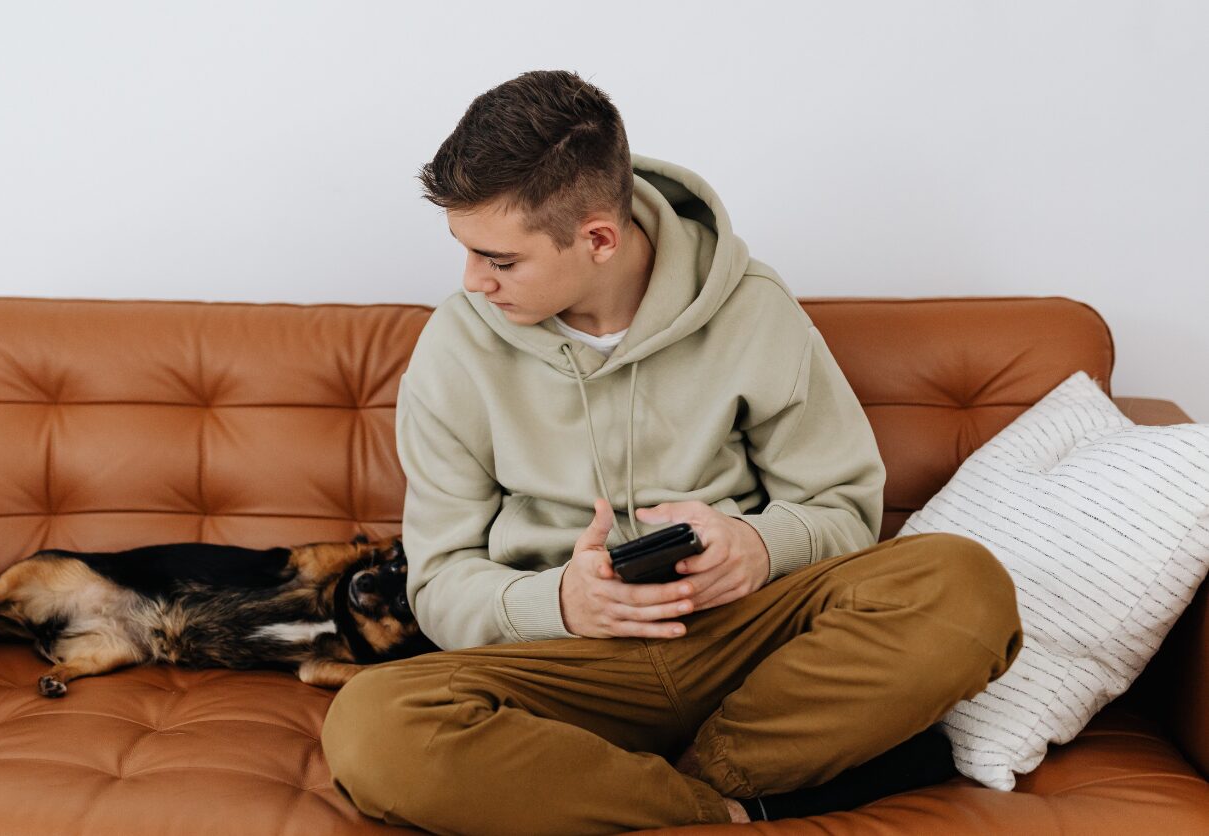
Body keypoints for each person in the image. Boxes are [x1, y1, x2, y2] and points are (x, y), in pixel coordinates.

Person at [320, 69, 1023, 834]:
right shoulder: (454, 349)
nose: (472, 282)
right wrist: (560, 601)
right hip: (566, 665)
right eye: (466, 251)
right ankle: (728, 807)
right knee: (372, 727)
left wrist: (756, 544)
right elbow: (441, 582)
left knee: (963, 583)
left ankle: (674, 783)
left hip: (745, 643)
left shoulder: (753, 307)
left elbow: (842, 510)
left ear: (597, 238)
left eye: (500, 259)